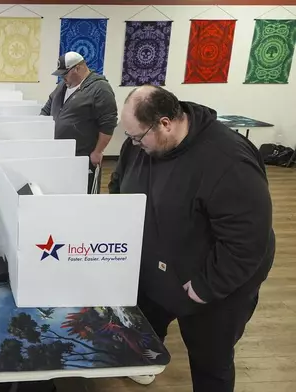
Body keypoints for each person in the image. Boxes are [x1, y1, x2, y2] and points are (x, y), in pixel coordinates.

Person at [108, 85, 275, 392]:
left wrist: (206, 287)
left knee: (211, 360)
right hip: (159, 267)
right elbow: (119, 185)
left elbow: (247, 242)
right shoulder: (142, 144)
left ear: (165, 123)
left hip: (210, 284)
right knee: (145, 326)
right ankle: (146, 362)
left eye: (136, 137)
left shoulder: (228, 160)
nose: (131, 144)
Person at [41, 52, 118, 193]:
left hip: (83, 155)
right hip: (60, 154)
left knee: (83, 194)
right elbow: (47, 109)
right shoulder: (62, 86)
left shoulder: (100, 88)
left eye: (65, 73)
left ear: (77, 68)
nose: (62, 77)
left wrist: (98, 151)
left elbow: (108, 123)